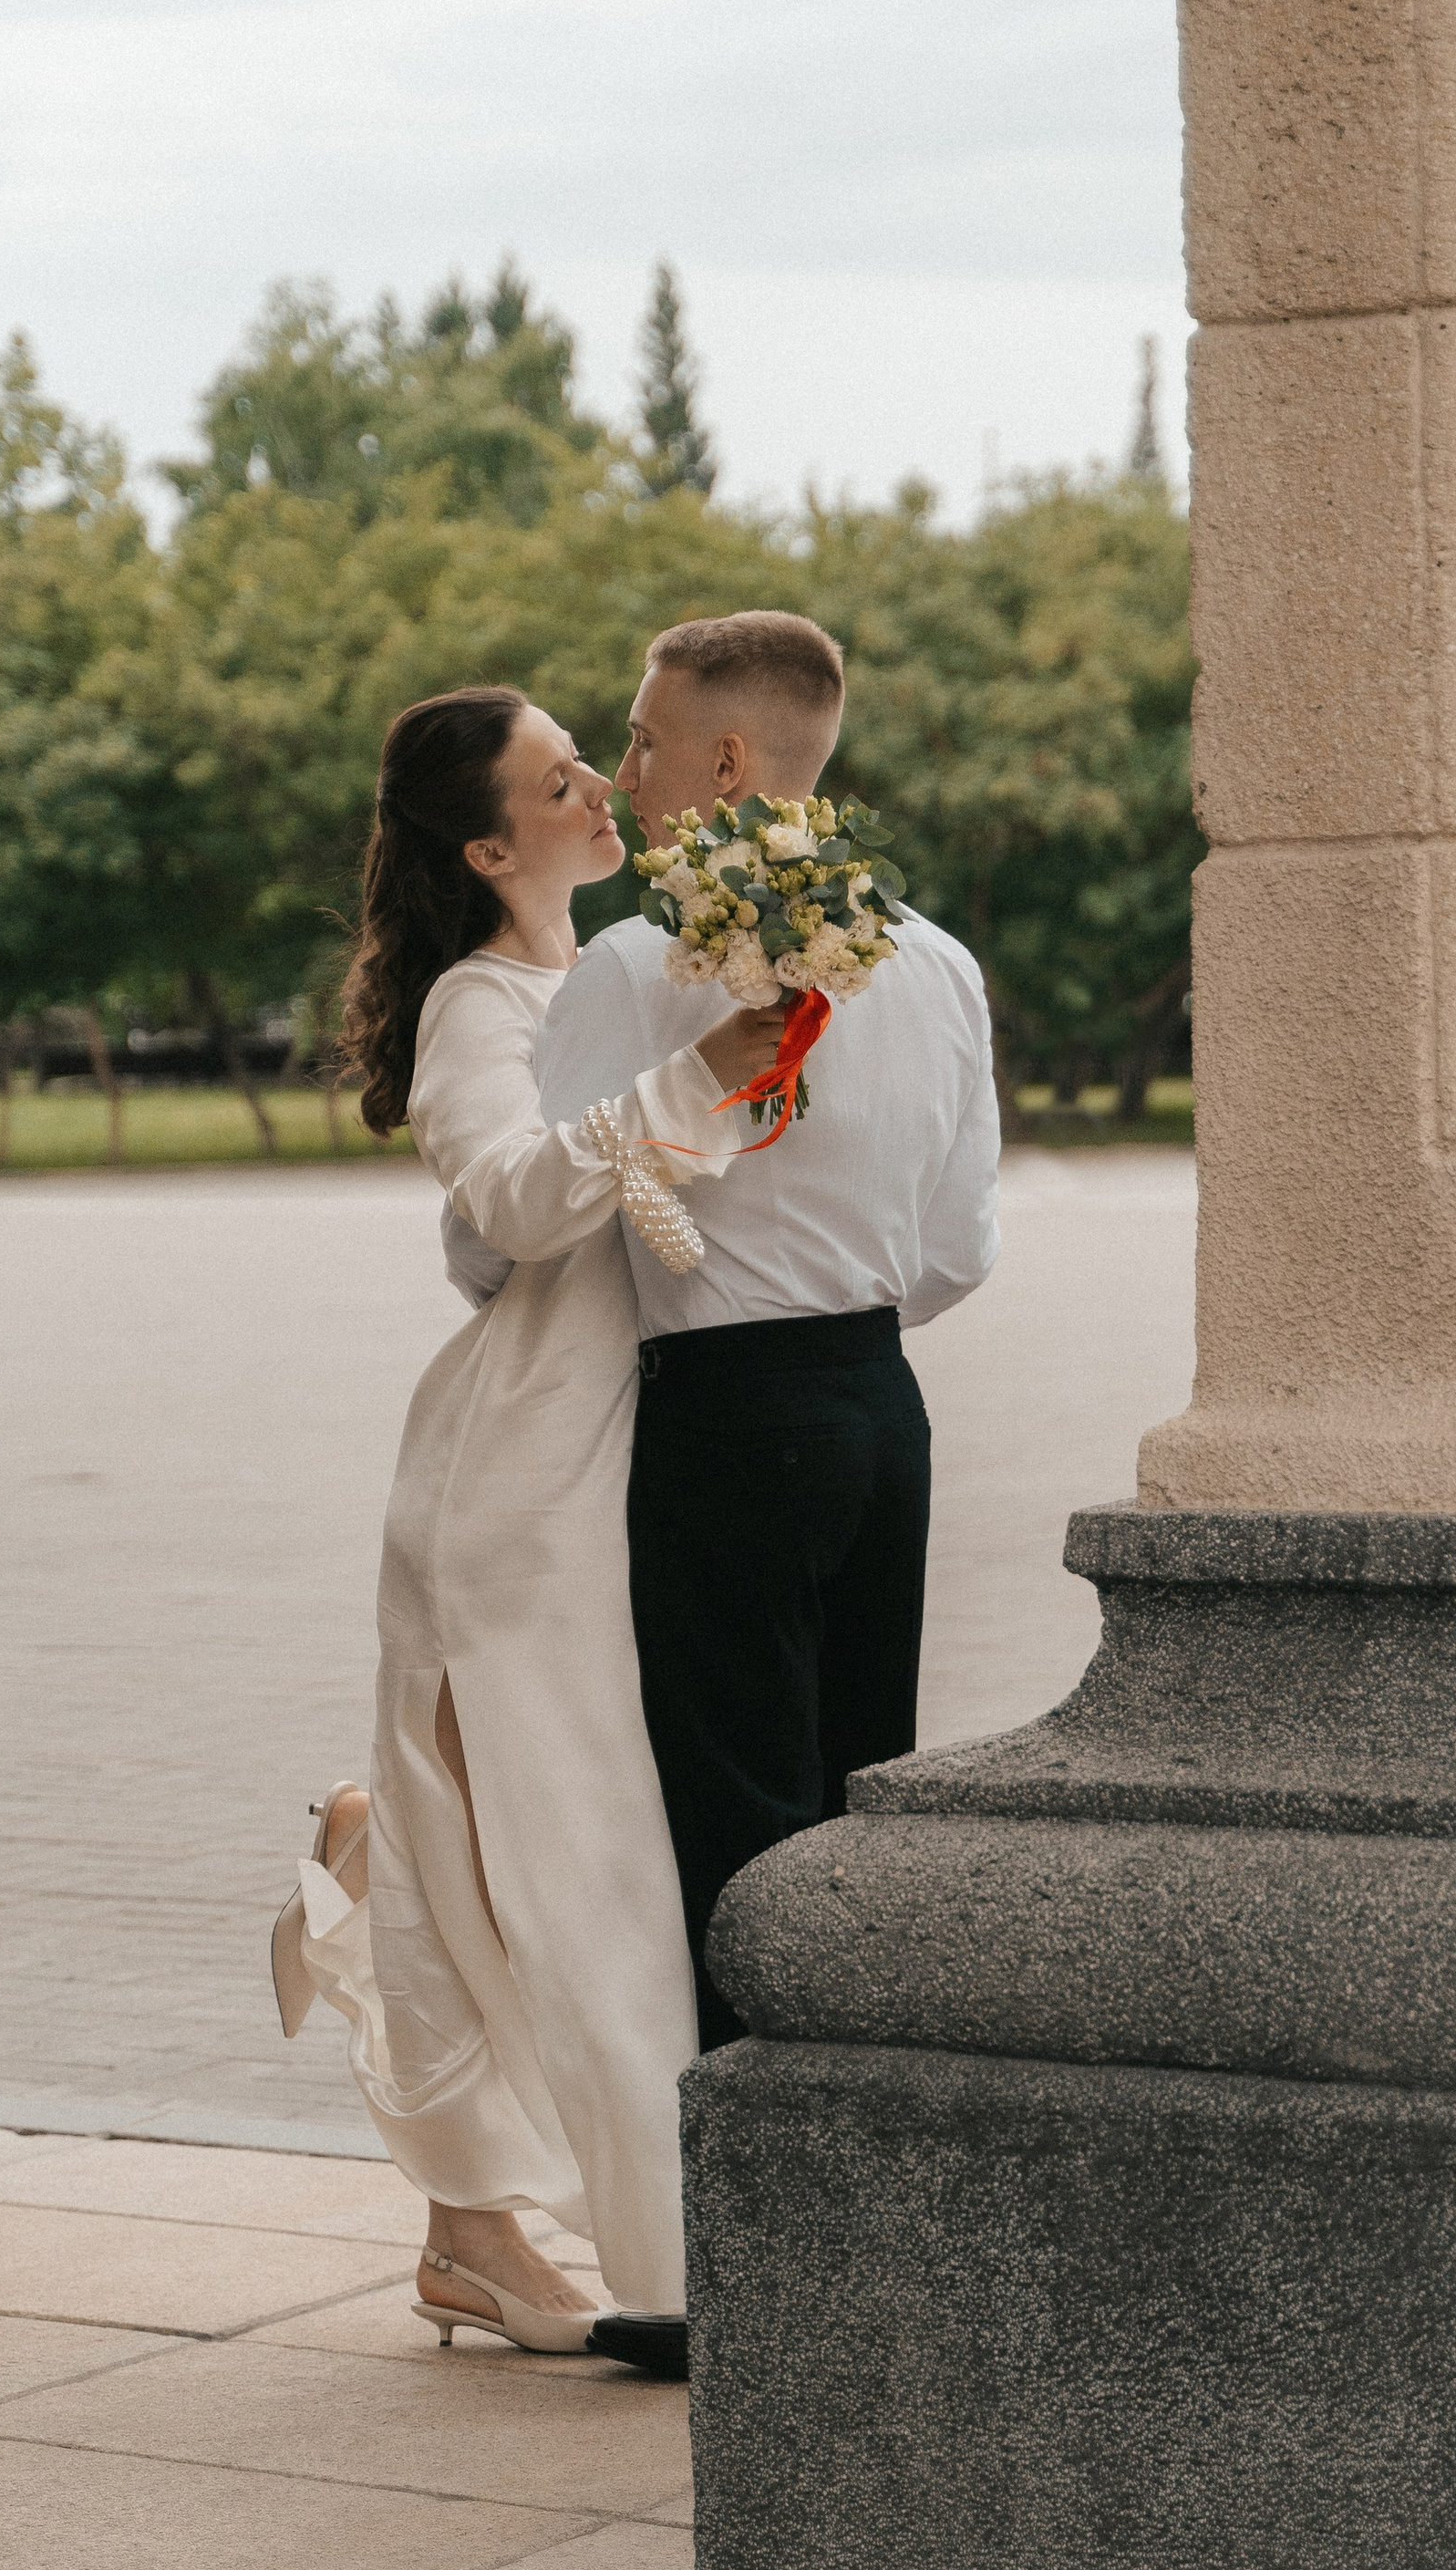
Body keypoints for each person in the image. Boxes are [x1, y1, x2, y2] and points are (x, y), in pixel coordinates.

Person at [269, 683, 790, 2379]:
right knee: (587, 1868)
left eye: (586, 762)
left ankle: (467, 2209)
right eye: (558, 781)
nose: (595, 790)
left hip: (639, 1449)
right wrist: (700, 1083)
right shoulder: (477, 1005)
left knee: (563, 1848)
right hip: (524, 1476)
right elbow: (501, 1201)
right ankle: (660, 2267)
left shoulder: (629, 975)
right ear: (491, 849)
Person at [536, 610, 1000, 2049]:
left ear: (728, 762)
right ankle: (849, 2128)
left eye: (643, 742)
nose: (623, 777)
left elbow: (524, 1231)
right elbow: (959, 1249)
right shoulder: (937, 963)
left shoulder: (636, 966)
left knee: (730, 1823)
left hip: (724, 1413)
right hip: (880, 1409)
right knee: (858, 1802)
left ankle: (739, 2153)